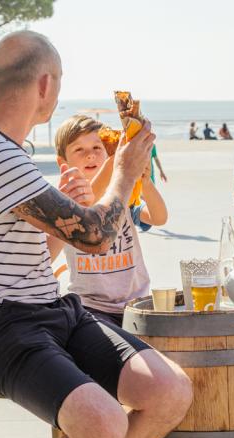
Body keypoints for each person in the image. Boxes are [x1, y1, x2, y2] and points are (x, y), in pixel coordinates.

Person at [0, 31, 192, 438]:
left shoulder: (5, 152)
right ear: (45, 85)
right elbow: (95, 237)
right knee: (104, 425)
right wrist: (125, 170)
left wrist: (63, 210)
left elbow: (39, 253)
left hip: (54, 310)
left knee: (171, 393)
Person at [47, 115, 167, 327]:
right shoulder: (65, 201)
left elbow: (158, 218)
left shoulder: (121, 195)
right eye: (79, 150)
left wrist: (145, 183)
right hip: (90, 306)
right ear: (62, 163)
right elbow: (89, 198)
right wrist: (119, 162)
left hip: (135, 301)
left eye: (97, 147)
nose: (90, 155)